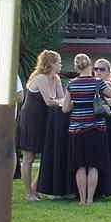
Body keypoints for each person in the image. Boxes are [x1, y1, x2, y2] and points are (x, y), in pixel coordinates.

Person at [62, 54, 110, 205]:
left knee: (80, 166)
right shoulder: (98, 82)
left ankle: (82, 200)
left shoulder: (71, 84)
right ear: (90, 65)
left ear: (76, 67)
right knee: (93, 165)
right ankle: (90, 199)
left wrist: (76, 103)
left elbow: (65, 108)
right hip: (95, 127)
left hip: (76, 128)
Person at [19, 50, 64, 201]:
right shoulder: (41, 78)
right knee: (29, 157)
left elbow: (61, 98)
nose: (61, 65)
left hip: (46, 120)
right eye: (58, 63)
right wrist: (60, 101)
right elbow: (49, 101)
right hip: (31, 120)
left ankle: (35, 187)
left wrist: (61, 101)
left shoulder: (56, 79)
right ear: (51, 64)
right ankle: (28, 193)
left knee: (47, 155)